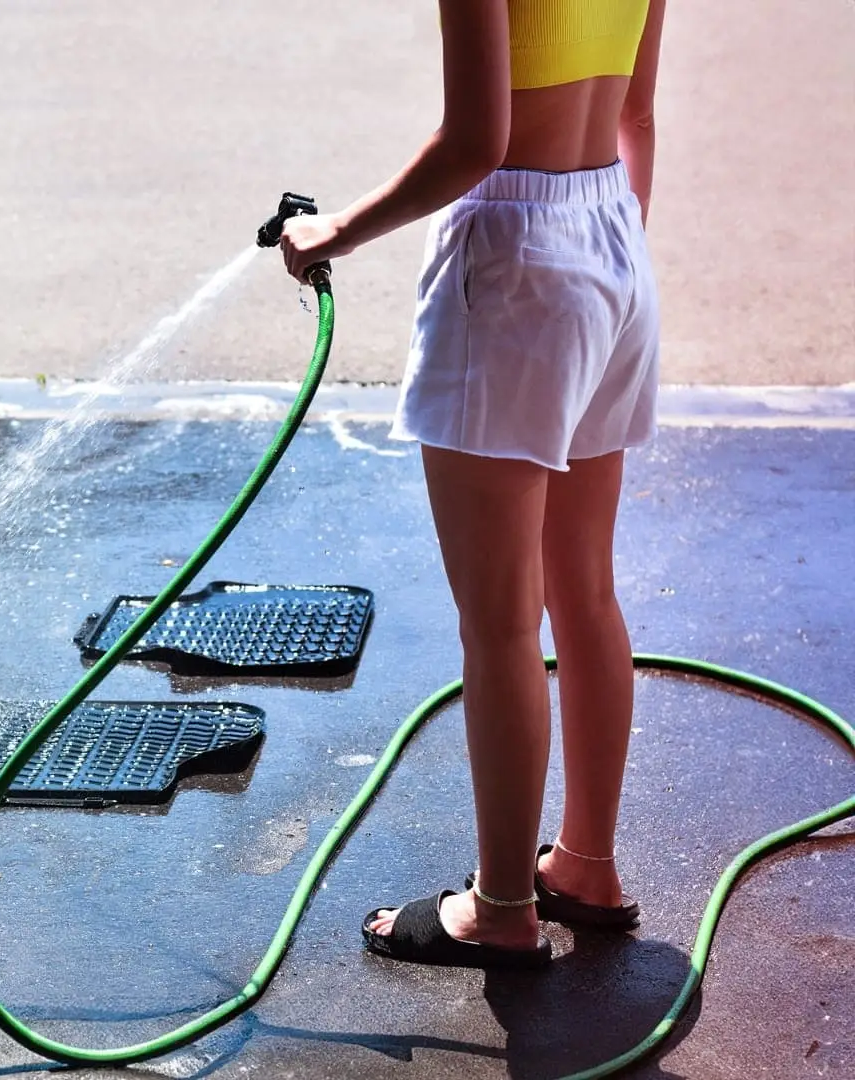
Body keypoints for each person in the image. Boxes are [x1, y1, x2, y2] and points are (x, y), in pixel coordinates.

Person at [277, 0, 666, 968]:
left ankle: (500, 910)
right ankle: (585, 863)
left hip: (514, 262)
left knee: (500, 625)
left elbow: (478, 141)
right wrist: (603, 266)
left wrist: (337, 233)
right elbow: (639, 115)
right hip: (613, 238)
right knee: (586, 591)